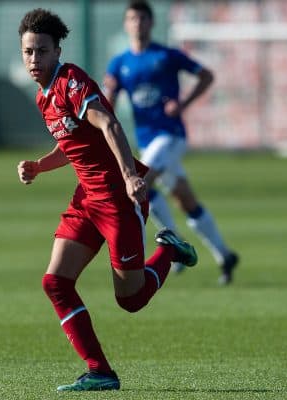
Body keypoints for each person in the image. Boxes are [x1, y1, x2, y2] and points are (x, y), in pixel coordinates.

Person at [17, 8, 198, 392]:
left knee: (129, 300)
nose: (34, 59)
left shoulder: (72, 82)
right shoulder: (43, 97)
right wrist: (38, 166)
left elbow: (109, 124)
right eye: (28, 52)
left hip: (118, 198)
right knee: (55, 282)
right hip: (86, 200)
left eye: (41, 51)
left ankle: (169, 251)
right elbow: (70, 145)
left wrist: (132, 176)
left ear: (56, 51)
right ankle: (100, 371)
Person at [103, 1, 238, 285]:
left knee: (139, 184)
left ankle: (167, 246)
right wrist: (108, 99)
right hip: (146, 141)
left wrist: (183, 103)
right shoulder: (119, 63)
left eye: (142, 18)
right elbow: (109, 105)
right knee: (184, 200)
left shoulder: (167, 56)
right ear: (126, 24)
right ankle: (225, 255)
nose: (137, 23)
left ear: (151, 23)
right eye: (132, 18)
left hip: (171, 137)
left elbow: (206, 75)